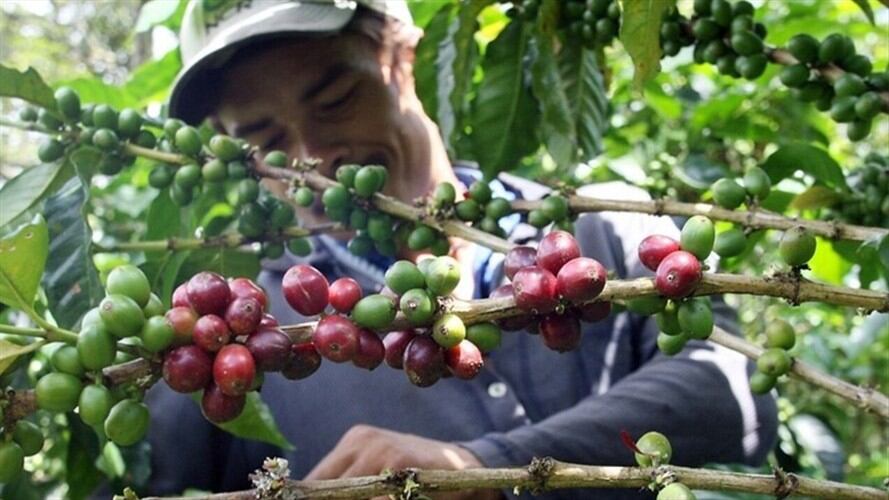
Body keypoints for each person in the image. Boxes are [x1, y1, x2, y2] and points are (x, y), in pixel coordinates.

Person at [145, 1, 778, 498]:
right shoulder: (249, 332)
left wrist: (480, 470)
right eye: (264, 141)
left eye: (336, 100)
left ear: (402, 58)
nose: (312, 159)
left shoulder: (603, 228)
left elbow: (733, 391)